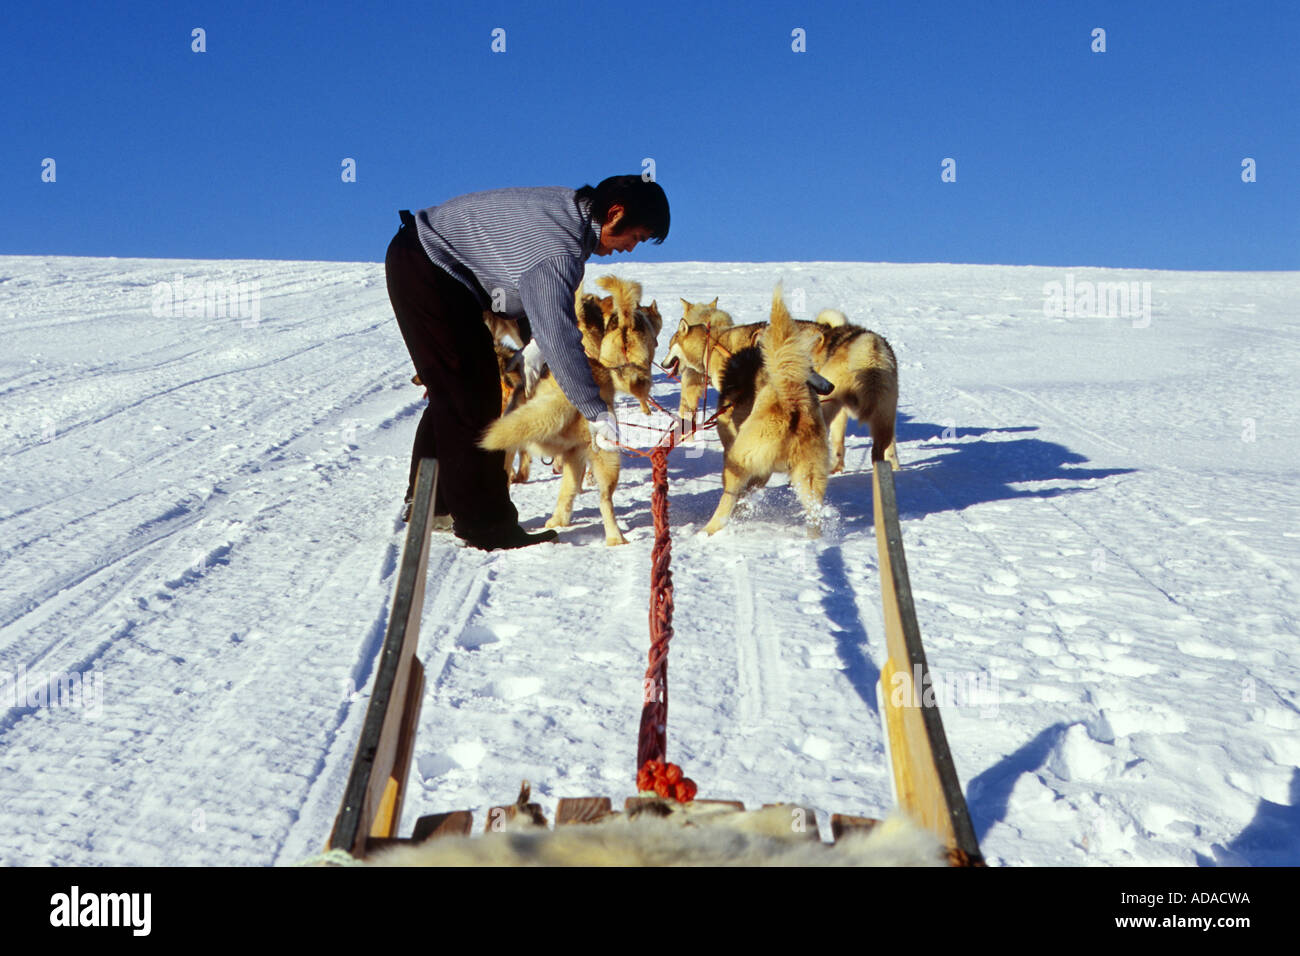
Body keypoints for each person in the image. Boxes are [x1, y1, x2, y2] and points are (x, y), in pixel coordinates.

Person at [384, 175, 670, 551]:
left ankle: (434, 504)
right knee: (469, 395)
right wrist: (595, 410)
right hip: (428, 268)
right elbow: (560, 334)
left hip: (430, 264)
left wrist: (532, 335)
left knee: (462, 389)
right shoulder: (560, 248)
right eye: (635, 236)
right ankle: (485, 525)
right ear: (614, 214)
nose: (631, 248)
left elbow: (520, 276)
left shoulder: (569, 214)